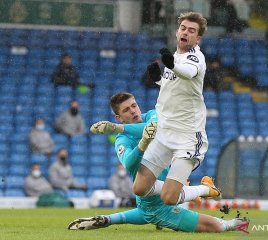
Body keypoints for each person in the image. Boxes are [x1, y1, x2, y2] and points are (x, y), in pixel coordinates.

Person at [68, 91, 249, 233]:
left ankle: (106, 220)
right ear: (119, 117)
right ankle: (212, 198)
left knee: (155, 206)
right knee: (215, 227)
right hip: (154, 202)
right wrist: (142, 145)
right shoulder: (122, 140)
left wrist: (121, 129)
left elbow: (152, 129)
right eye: (126, 110)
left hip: (164, 189)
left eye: (134, 106)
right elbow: (130, 165)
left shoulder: (152, 116)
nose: (133, 111)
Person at [133, 12, 218, 206]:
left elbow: (188, 74)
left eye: (192, 31)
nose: (186, 32)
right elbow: (175, 86)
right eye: (183, 28)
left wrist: (171, 64)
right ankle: (180, 186)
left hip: (187, 137)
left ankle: (206, 189)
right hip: (164, 133)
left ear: (198, 38)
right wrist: (158, 79)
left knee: (169, 198)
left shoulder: (196, 58)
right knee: (139, 189)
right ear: (177, 31)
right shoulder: (176, 57)